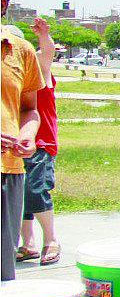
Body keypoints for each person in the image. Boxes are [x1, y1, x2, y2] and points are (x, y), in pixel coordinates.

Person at [1, 0, 42, 282]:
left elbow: (30, 109)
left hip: (9, 171)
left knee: (3, 275)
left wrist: (27, 135)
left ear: (2, 5)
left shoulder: (21, 50)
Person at [17, 18, 60, 266]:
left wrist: (43, 34)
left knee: (36, 190)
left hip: (42, 142)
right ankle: (28, 244)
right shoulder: (11, 75)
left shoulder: (38, 68)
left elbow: (47, 53)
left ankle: (51, 240)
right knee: (20, 193)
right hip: (16, 143)